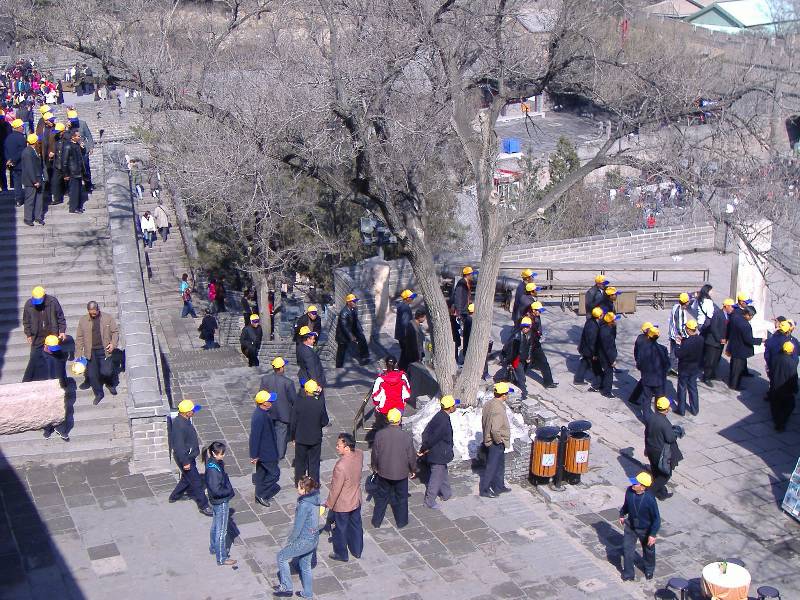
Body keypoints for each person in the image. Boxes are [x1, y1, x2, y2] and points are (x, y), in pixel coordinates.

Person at [273, 476, 322, 599]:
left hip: (304, 539)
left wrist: (291, 540)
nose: (297, 489)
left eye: (299, 487)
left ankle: (286, 587)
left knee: (281, 556)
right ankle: (308, 593)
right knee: (305, 565)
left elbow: (298, 526)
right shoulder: (315, 498)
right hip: (313, 538)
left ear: (305, 490)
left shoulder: (304, 504)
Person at [370, 408, 416, 528]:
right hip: (401, 474)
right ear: (399, 420)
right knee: (402, 498)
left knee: (381, 498)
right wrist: (413, 469)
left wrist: (375, 467)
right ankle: (401, 522)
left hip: (384, 473)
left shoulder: (380, 435)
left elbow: (375, 453)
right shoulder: (405, 436)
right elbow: (411, 456)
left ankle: (376, 521)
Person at [168, 400, 212, 516]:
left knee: (187, 478)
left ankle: (174, 496)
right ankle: (204, 506)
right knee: (196, 481)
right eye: (192, 410)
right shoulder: (179, 425)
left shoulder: (184, 420)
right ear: (187, 413)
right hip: (185, 458)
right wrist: (185, 462)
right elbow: (179, 447)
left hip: (189, 456)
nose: (194, 412)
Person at [325, 433, 364, 562]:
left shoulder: (340, 466)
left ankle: (342, 554)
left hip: (343, 503)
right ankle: (357, 550)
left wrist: (329, 504)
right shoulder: (359, 454)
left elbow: (335, 489)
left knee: (341, 529)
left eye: (339, 445)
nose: (336, 447)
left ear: (347, 447)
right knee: (356, 525)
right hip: (356, 498)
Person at [75, 301, 120, 405]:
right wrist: (78, 354)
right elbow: (79, 338)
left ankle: (110, 383)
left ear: (98, 309)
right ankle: (98, 394)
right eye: (91, 313)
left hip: (104, 350)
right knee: (92, 375)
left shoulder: (107, 318)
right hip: (90, 352)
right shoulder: (83, 320)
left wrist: (113, 344)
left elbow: (115, 332)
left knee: (106, 371)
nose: (92, 314)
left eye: (94, 312)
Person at [619, 471, 660, 582]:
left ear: (642, 487)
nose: (633, 484)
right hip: (631, 526)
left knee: (648, 551)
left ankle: (649, 570)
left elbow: (657, 519)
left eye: (636, 483)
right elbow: (626, 505)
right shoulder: (629, 491)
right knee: (627, 550)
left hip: (645, 529)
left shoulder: (650, 499)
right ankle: (628, 574)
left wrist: (652, 534)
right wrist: (622, 514)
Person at [419, 395, 457, 509]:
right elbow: (434, 437)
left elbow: (426, 432)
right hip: (439, 453)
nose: (455, 407)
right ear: (450, 407)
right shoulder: (444, 421)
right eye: (454, 405)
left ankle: (446, 493)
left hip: (439, 453)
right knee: (436, 477)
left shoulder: (439, 415)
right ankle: (429, 501)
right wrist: (424, 448)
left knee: (442, 472)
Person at [22, 287, 67, 383]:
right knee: (35, 358)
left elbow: (60, 317)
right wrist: (28, 334)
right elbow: (26, 321)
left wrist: (62, 331)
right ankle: (32, 382)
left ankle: (60, 381)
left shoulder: (53, 302)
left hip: (51, 336)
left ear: (44, 296)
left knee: (55, 359)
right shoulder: (29, 304)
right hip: (37, 337)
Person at [203, 441, 237, 566]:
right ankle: (222, 557)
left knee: (215, 525)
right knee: (221, 530)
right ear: (213, 453)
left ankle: (213, 547)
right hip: (221, 501)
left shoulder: (213, 464)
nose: (222, 456)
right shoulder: (213, 470)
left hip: (217, 501)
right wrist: (228, 491)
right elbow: (216, 490)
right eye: (221, 454)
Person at [291, 380, 329, 484]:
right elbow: (325, 421)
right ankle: (314, 483)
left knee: (300, 463)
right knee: (314, 463)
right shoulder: (319, 403)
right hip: (315, 438)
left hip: (301, 438)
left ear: (305, 390)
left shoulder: (298, 403)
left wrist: (293, 437)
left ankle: (299, 483)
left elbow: (293, 422)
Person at [259, 357, 297, 459]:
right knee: (281, 434)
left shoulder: (265, 379)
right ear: (281, 368)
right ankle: (279, 455)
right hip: (283, 413)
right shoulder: (288, 382)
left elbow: (261, 395)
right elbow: (294, 400)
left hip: (269, 412)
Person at [479, 382, 513, 498]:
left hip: (491, 440)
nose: (507, 396)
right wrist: (499, 441)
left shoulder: (489, 404)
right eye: (507, 394)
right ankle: (484, 489)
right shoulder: (498, 409)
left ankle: (499, 486)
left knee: (499, 465)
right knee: (492, 467)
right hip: (495, 443)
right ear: (503, 395)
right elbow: (495, 430)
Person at [249, 390, 281, 507]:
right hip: (265, 452)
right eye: (269, 400)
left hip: (266, 450)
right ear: (263, 403)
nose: (271, 402)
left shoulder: (263, 412)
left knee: (261, 473)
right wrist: (254, 455)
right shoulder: (259, 417)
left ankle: (259, 492)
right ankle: (262, 494)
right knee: (274, 474)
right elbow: (255, 437)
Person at [644, 397, 679, 500]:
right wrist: (675, 433)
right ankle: (649, 492)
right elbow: (670, 438)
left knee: (655, 472)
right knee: (665, 475)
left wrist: (646, 448)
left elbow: (646, 433)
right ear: (667, 409)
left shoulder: (651, 417)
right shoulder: (664, 422)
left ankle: (662, 494)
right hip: (660, 453)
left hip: (650, 449)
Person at [635, 327, 670, 419]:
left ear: (648, 337)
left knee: (646, 399)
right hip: (659, 380)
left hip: (647, 379)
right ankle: (659, 419)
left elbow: (639, 365)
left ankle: (647, 419)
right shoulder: (663, 349)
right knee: (660, 400)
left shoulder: (643, 350)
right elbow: (667, 365)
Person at [726, 305, 762, 391]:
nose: (751, 318)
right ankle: (734, 385)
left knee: (734, 366)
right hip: (740, 349)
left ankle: (733, 381)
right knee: (737, 369)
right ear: (746, 314)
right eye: (751, 316)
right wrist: (761, 340)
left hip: (734, 346)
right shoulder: (745, 325)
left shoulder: (736, 317)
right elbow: (749, 339)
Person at [371, 356, 411, 431]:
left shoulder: (380, 379)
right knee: (397, 426)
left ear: (386, 365)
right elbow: (407, 394)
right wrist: (404, 400)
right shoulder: (402, 377)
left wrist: (378, 404)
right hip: (398, 408)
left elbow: (376, 397)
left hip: (385, 409)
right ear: (396, 364)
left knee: (385, 427)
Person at [675, 319, 703, 416]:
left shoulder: (687, 343)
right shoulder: (700, 339)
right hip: (695, 368)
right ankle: (695, 409)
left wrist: (678, 345)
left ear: (688, 329)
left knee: (682, 388)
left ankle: (681, 410)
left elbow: (679, 354)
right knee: (693, 388)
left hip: (684, 368)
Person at [702, 298, 733, 385]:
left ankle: (712, 374)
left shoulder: (728, 315)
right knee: (710, 360)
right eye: (731, 307)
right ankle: (706, 377)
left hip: (721, 342)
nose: (732, 309)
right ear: (725, 306)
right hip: (713, 342)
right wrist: (720, 339)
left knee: (716, 359)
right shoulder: (717, 314)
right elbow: (713, 328)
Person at [769, 341, 799, 432]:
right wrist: (795, 389)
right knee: (789, 406)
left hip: (775, 386)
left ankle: (776, 419)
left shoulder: (775, 357)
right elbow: (793, 378)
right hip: (786, 389)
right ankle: (780, 424)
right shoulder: (791, 363)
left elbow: (771, 370)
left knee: (775, 405)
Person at [335, 293, 370, 367]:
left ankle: (364, 358)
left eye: (355, 301)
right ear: (348, 302)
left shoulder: (354, 309)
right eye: (353, 301)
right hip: (343, 335)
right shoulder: (344, 313)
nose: (355, 303)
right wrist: (351, 336)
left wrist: (360, 331)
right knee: (341, 351)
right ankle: (338, 366)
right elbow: (344, 327)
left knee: (362, 338)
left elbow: (356, 321)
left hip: (352, 330)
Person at [591, 311, 618, 398]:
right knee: (609, 373)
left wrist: (595, 353)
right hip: (605, 356)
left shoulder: (602, 327)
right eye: (614, 320)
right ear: (611, 321)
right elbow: (608, 348)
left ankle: (597, 385)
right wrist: (612, 360)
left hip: (599, 353)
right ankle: (606, 391)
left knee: (600, 371)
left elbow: (597, 342)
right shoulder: (607, 332)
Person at [574, 307, 603, 385]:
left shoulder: (591, 321)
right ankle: (598, 382)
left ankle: (578, 379)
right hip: (589, 350)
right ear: (599, 316)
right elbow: (591, 341)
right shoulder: (592, 326)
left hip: (585, 348)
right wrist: (594, 354)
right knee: (595, 365)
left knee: (584, 362)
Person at [627, 322, 653, 405]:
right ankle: (634, 397)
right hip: (646, 364)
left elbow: (636, 351)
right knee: (644, 381)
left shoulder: (640, 338)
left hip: (641, 363)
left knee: (645, 380)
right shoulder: (646, 340)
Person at [20, 132, 43, 226]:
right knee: (30, 199)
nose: (39, 142)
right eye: (38, 140)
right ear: (35, 142)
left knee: (39, 199)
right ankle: (28, 218)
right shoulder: (27, 152)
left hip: (38, 178)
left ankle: (38, 217)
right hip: (31, 181)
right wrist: (35, 181)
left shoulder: (34, 150)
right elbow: (29, 168)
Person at [63, 129, 87, 213]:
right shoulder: (68, 146)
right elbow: (65, 161)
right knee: (74, 191)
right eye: (78, 136)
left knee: (79, 190)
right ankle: (73, 207)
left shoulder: (77, 145)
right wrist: (66, 174)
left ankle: (79, 206)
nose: (79, 137)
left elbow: (82, 154)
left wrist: (82, 148)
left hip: (79, 170)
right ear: (73, 137)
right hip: (72, 171)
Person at [668, 292, 692, 374]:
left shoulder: (675, 306)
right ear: (686, 302)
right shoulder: (681, 312)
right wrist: (687, 336)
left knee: (672, 352)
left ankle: (672, 366)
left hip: (672, 333)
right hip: (678, 336)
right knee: (677, 352)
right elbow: (680, 327)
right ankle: (675, 368)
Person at [4, 118, 26, 206]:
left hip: (11, 164)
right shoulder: (21, 138)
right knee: (22, 182)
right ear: (18, 127)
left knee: (16, 182)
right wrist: (14, 160)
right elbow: (21, 151)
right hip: (19, 163)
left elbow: (5, 150)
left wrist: (9, 160)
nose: (23, 128)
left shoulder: (8, 137)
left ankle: (18, 199)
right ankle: (22, 198)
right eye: (22, 126)